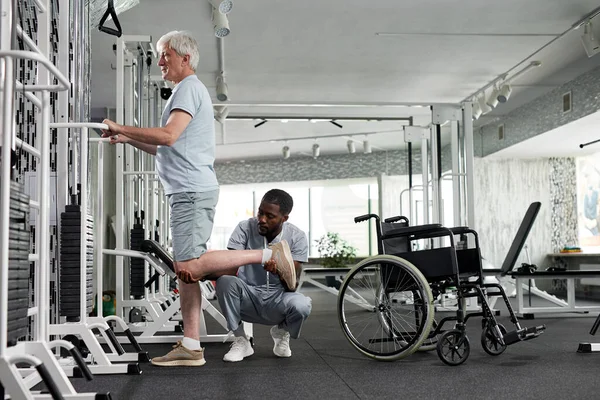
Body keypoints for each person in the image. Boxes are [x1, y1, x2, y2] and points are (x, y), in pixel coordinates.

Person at [100, 31, 296, 367]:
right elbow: (167, 146)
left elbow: (168, 135)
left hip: (190, 191)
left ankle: (269, 254)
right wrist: (126, 137)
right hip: (187, 190)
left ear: (185, 58)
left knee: (189, 265)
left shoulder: (189, 89)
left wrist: (122, 126)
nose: (160, 61)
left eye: (166, 55)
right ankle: (191, 344)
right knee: (186, 272)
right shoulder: (184, 91)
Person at [216, 189, 312, 362]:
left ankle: (281, 332)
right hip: (248, 295)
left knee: (302, 304)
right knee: (225, 281)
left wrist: (280, 270)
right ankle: (241, 340)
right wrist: (200, 273)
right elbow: (229, 267)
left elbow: (292, 286)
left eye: (270, 216)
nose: (262, 219)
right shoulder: (245, 228)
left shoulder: (297, 237)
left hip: (279, 298)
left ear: (284, 218)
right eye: (260, 212)